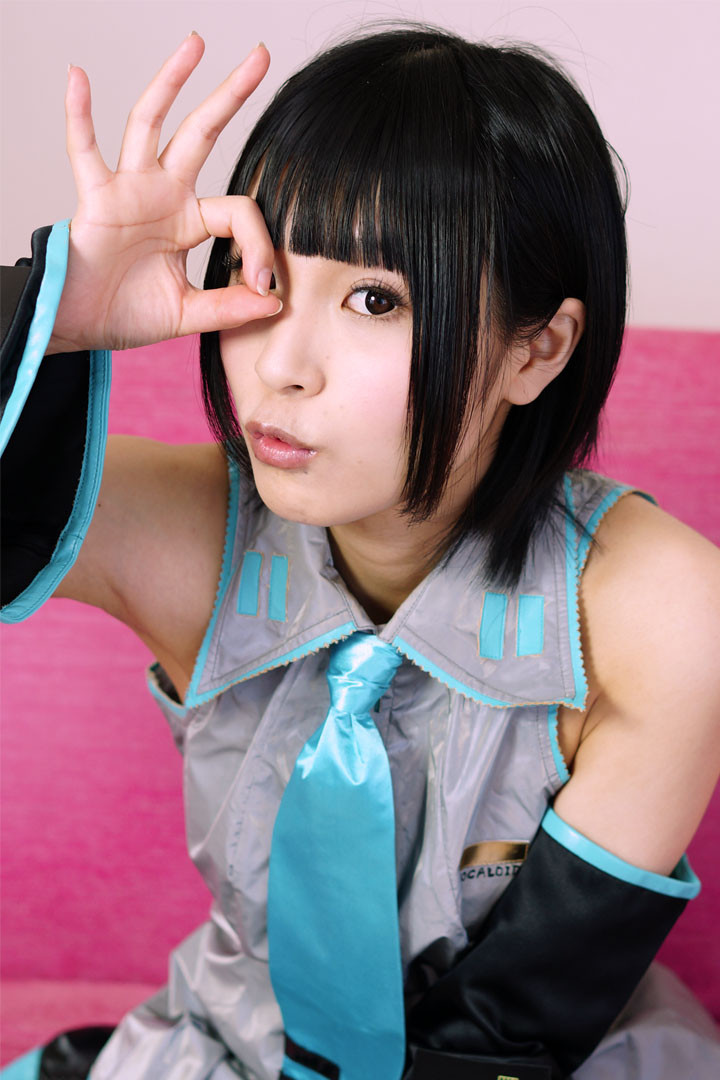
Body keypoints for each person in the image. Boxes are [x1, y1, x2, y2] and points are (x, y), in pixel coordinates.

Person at [1, 24, 719, 1080]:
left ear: (537, 349)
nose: (282, 365)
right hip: (231, 1046)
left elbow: (509, 1030)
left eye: (375, 299)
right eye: (266, 276)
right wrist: (52, 314)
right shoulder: (199, 532)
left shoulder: (662, 615)